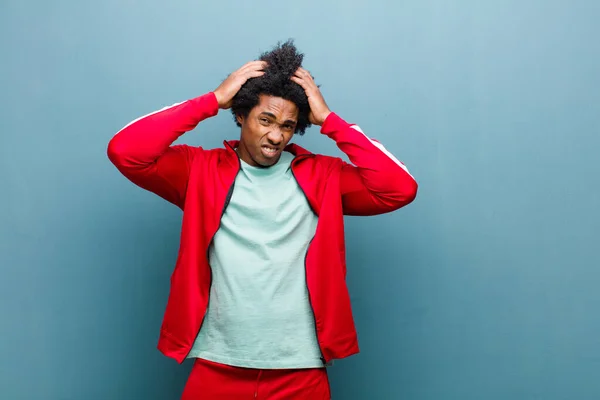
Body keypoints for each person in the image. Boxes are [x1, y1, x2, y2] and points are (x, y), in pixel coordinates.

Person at [107, 40, 418, 399]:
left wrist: (330, 121)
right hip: (218, 361)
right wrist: (212, 100)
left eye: (287, 125)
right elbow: (126, 151)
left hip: (300, 367)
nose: (275, 136)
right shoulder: (199, 170)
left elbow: (399, 189)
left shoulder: (324, 176)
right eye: (265, 120)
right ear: (240, 115)